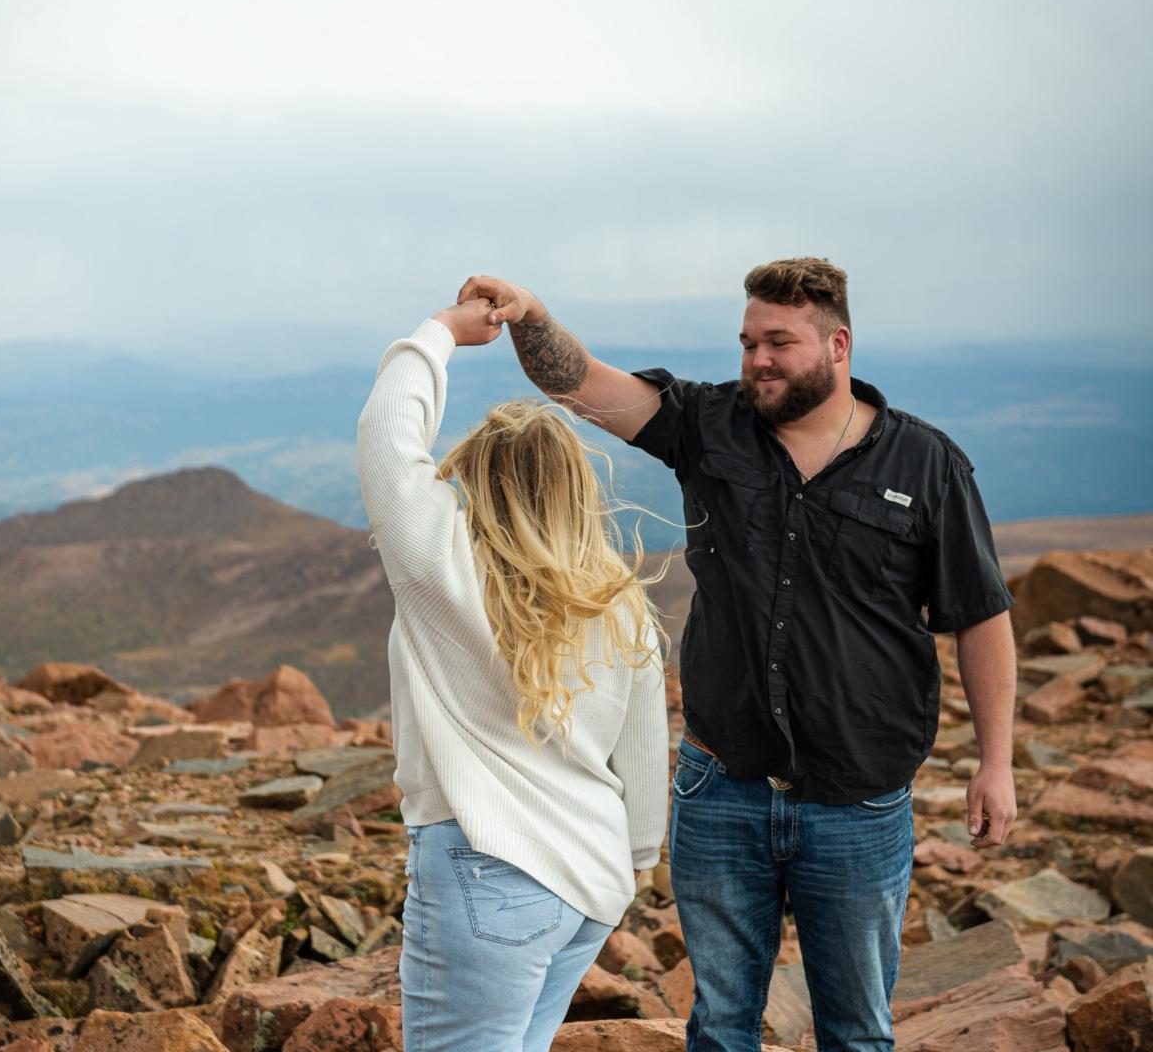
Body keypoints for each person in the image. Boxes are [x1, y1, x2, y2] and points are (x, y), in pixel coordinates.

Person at [455, 258, 1018, 1052]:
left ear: (838, 345)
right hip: (720, 789)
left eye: (779, 343)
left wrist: (996, 763)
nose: (758, 360)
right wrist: (528, 312)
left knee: (857, 1032)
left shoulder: (925, 466)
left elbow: (981, 617)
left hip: (857, 800)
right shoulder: (707, 423)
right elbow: (577, 383)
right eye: (749, 343)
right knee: (720, 1027)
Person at [356, 296, 670, 1052]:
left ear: (477, 479)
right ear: (576, 487)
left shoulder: (442, 567)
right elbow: (643, 754)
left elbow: (387, 438)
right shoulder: (619, 599)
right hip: (591, 883)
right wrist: (633, 861)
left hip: (485, 867)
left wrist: (440, 333)